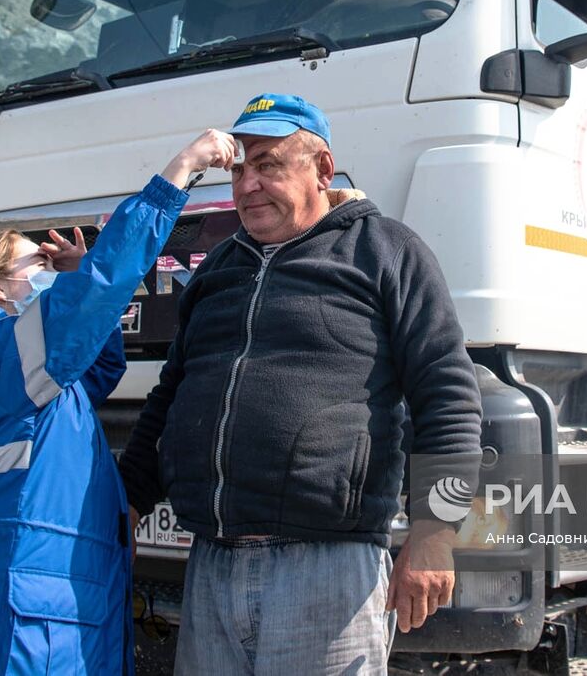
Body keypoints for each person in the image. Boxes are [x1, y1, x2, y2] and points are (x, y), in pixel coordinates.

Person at [119, 93, 483, 676]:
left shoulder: (386, 251)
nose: (247, 186)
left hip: (330, 572)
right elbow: (169, 399)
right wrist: (127, 503)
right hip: (210, 565)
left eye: (269, 166)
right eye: (239, 169)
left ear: (322, 169)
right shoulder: (216, 270)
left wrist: (436, 530)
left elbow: (448, 398)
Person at [0, 130, 237, 675]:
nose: (50, 276)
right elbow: (103, 288)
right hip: (23, 611)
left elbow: (98, 370)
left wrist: (73, 275)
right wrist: (180, 170)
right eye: (40, 266)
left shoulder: (13, 367)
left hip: (23, 588)